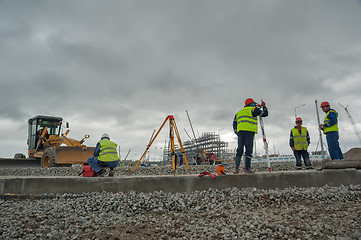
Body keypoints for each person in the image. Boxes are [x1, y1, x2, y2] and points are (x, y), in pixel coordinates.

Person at [233, 98, 268, 173]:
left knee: (239, 150)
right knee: (248, 150)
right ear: (252, 104)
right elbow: (264, 114)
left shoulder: (239, 112)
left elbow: (234, 123)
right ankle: (247, 169)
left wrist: (236, 131)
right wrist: (264, 107)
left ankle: (236, 169)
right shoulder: (253, 109)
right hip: (249, 132)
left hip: (240, 132)